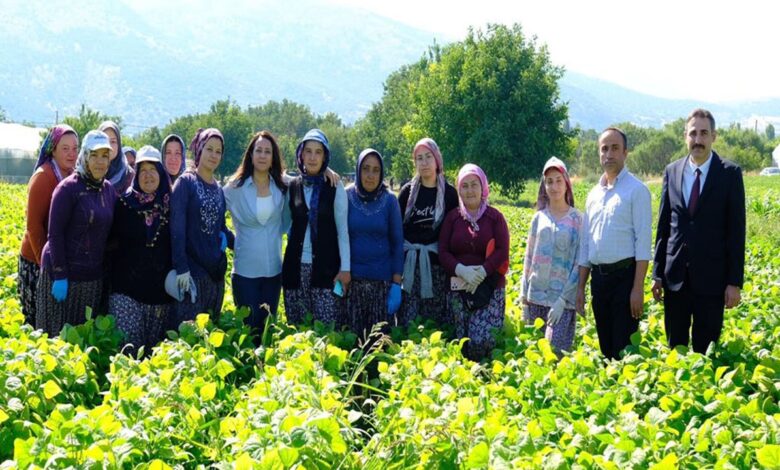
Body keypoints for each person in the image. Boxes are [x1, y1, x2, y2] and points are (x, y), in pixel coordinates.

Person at [652, 109, 745, 354]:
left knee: (706, 351)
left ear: (713, 136)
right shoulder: (672, 171)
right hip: (675, 280)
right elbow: (664, 227)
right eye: (693, 133)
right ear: (685, 136)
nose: (698, 139)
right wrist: (657, 273)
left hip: (712, 281)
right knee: (676, 348)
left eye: (704, 133)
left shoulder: (729, 174)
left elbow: (737, 232)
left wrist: (734, 282)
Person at [576, 127, 652, 360]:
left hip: (625, 279)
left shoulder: (637, 190)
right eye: (604, 149)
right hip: (599, 281)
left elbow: (643, 244)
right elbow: (586, 245)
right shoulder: (593, 195)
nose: (609, 154)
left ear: (625, 152)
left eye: (615, 148)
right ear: (599, 154)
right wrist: (580, 288)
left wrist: (637, 289)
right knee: (605, 346)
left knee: (624, 348)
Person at [36, 130, 118, 336]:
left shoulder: (108, 190)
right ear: (84, 157)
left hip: (91, 279)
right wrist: (61, 275)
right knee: (55, 338)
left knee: (81, 339)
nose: (100, 162)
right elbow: (55, 234)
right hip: (62, 276)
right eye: (94, 155)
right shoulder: (67, 189)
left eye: (105, 156)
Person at [439, 164, 509, 361]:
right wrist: (461, 270)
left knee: (482, 343)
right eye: (464, 186)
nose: (469, 190)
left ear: (483, 187)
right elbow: (443, 251)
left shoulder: (495, 218)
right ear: (459, 189)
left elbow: (503, 251)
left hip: (489, 288)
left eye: (474, 185)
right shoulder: (452, 218)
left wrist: (482, 272)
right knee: (460, 344)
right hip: (458, 289)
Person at [223, 131, 290, 335]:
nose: (262, 155)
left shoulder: (283, 186)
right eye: (258, 150)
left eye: (267, 152)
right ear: (250, 155)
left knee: (268, 332)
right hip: (245, 274)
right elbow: (211, 212)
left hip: (273, 274)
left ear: (273, 158)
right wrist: (228, 239)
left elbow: (311, 174)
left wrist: (329, 171)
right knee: (249, 332)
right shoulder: (235, 188)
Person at [108, 145, 174, 355]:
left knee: (154, 359)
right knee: (128, 354)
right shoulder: (124, 203)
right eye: (142, 170)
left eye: (152, 170)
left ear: (161, 174)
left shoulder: (171, 205)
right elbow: (110, 243)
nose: (147, 176)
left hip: (160, 295)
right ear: (136, 175)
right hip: (126, 292)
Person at [282, 129, 350, 326]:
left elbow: (342, 231)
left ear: (325, 156)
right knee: (297, 329)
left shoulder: (334, 186)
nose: (312, 157)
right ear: (301, 154)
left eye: (318, 152)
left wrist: (345, 268)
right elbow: (286, 225)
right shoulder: (293, 186)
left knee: (325, 330)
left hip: (326, 269)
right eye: (308, 151)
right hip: (295, 270)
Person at [170, 128, 234, 326]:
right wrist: (181, 268)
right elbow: (177, 228)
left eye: (218, 151)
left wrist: (238, 242)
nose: (214, 155)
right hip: (192, 275)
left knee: (209, 335)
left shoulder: (218, 189)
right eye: (209, 149)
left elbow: (220, 227)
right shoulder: (186, 182)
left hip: (215, 275)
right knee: (188, 335)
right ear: (199, 150)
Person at [520, 157, 583, 356]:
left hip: (562, 301)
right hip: (535, 297)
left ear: (566, 183)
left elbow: (578, 263)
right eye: (549, 181)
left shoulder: (577, 220)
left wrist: (564, 299)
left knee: (554, 351)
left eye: (558, 180)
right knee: (536, 355)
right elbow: (528, 258)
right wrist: (524, 296)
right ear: (544, 185)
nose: (554, 186)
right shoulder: (539, 218)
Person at [18, 125, 78, 326]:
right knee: (37, 320)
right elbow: (34, 227)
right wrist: (46, 267)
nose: (71, 154)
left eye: (75, 149)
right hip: (36, 260)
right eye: (65, 148)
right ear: (53, 149)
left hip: (58, 261)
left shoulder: (72, 176)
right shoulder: (44, 177)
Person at [398, 138, 459, 327]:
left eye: (428, 157)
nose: (424, 163)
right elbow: (398, 230)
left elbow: (453, 234)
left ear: (437, 159)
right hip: (409, 266)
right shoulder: (407, 192)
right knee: (408, 322)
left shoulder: (449, 194)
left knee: (433, 322)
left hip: (437, 267)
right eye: (419, 158)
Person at [345, 148, 404, 337]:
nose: (370, 175)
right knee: (354, 343)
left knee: (378, 345)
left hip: (382, 285)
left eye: (376, 170)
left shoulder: (389, 201)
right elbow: (339, 237)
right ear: (358, 170)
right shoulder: (346, 197)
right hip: (352, 284)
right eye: (366, 169)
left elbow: (397, 243)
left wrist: (396, 284)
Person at [98, 121, 134, 194]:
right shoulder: (88, 172)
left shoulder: (129, 175)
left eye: (113, 142)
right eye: (105, 141)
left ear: (119, 145)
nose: (109, 146)